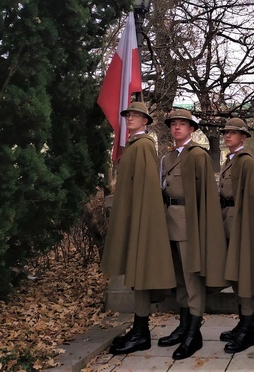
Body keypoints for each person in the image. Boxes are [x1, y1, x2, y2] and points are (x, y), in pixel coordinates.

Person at [100, 101, 175, 355]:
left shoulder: (143, 146)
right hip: (132, 217)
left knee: (141, 274)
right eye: (128, 115)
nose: (130, 118)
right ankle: (138, 329)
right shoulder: (133, 145)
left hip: (140, 219)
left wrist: (142, 223)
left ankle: (142, 332)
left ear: (145, 121)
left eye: (136, 115)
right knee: (135, 275)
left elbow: (147, 190)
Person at [158, 108, 228, 360]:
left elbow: (206, 196)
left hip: (189, 224)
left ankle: (194, 333)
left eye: (182, 124)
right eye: (173, 124)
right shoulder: (167, 158)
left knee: (191, 279)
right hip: (169, 222)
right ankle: (183, 325)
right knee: (179, 277)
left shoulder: (198, 156)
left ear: (191, 129)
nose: (177, 128)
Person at [217, 118, 254, 353]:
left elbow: (252, 201)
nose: (228, 136)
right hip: (228, 222)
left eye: (234, 133)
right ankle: (242, 322)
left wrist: (246, 230)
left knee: (244, 276)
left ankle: (249, 328)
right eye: (226, 133)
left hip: (241, 225)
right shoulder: (230, 161)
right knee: (235, 276)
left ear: (243, 137)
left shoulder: (246, 162)